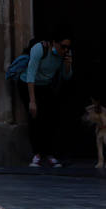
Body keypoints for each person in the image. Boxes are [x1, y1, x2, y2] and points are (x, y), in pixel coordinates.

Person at [16, 28, 73, 167]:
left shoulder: (65, 55)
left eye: (68, 47)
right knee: (35, 117)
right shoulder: (40, 49)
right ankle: (37, 155)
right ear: (55, 43)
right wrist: (32, 101)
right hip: (28, 83)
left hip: (45, 85)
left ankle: (49, 153)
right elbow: (31, 74)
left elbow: (67, 77)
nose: (65, 50)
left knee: (51, 117)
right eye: (63, 46)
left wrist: (67, 65)